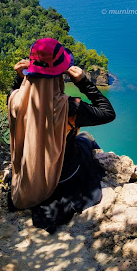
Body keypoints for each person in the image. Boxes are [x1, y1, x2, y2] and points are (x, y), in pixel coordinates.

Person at [7, 37, 116, 233]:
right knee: (87, 139)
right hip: (63, 177)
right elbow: (108, 113)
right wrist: (84, 83)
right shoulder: (69, 108)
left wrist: (20, 77)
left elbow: (16, 91)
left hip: (28, 173)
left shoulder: (15, 100)